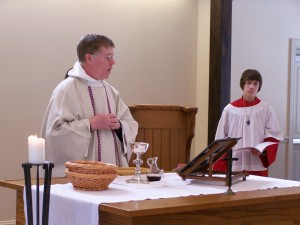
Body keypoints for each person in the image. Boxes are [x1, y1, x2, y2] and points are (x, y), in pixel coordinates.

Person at [41, 34, 138, 177]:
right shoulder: (67, 89)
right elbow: (55, 134)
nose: (113, 63)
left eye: (113, 57)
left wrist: (119, 126)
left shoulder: (110, 91)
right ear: (89, 58)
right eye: (108, 57)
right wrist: (90, 124)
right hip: (82, 179)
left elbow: (131, 124)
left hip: (112, 176)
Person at [213, 69, 284, 176]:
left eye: (255, 83)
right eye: (249, 82)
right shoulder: (230, 109)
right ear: (243, 84)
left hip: (257, 162)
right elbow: (221, 138)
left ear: (259, 86)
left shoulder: (266, 108)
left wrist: (263, 150)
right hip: (234, 163)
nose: (252, 86)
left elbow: (274, 135)